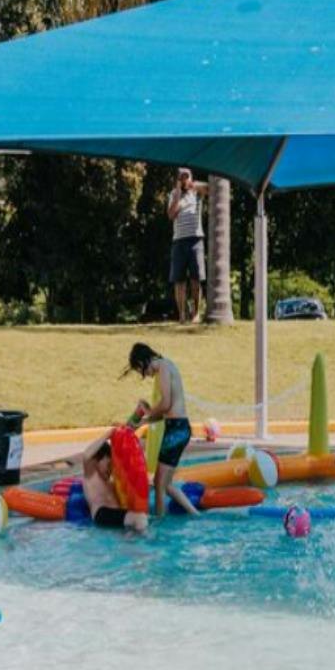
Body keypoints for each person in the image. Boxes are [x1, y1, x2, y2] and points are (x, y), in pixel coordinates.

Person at [124, 342, 197, 517]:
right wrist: (143, 421)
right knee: (166, 484)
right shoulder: (165, 367)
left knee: (158, 484)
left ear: (142, 363)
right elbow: (163, 413)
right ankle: (195, 515)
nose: (145, 375)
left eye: (141, 371)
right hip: (177, 428)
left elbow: (165, 404)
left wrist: (147, 414)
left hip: (176, 430)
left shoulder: (163, 367)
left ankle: (160, 526)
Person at [77, 432, 149, 532]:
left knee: (140, 519)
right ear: (97, 460)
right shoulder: (91, 476)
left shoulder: (111, 482)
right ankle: (148, 544)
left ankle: (135, 544)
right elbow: (86, 455)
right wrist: (109, 434)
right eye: (108, 464)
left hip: (116, 514)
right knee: (140, 518)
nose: (110, 468)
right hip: (101, 513)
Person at [166, 167, 208, 324]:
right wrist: (178, 190)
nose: (184, 179)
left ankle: (196, 314)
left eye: (186, 176)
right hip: (179, 241)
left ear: (191, 177)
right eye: (181, 177)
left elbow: (211, 189)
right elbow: (171, 215)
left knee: (196, 278)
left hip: (196, 239)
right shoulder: (173, 194)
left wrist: (192, 184)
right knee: (179, 281)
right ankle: (182, 314)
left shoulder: (197, 192)